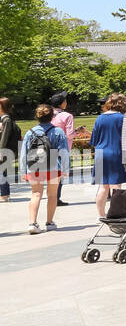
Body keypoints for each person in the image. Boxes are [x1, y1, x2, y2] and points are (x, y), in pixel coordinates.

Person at [21, 104, 69, 234]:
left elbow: (23, 153)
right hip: (53, 167)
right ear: (52, 116)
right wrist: (65, 169)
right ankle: (49, 222)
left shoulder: (30, 132)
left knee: (36, 194)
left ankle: (32, 223)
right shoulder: (58, 131)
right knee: (52, 195)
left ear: (37, 117)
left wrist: (23, 171)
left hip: (34, 166)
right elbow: (64, 152)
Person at [90, 93, 126, 217]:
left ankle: (101, 215)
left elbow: (93, 141)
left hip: (100, 153)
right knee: (116, 185)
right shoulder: (122, 118)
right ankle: (116, 213)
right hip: (115, 152)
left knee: (103, 186)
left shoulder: (100, 118)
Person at [0, 97, 19, 201]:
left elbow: (5, 136)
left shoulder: (6, 119)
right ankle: (4, 194)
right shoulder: (4, 118)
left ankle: (5, 194)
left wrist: (1, 150)